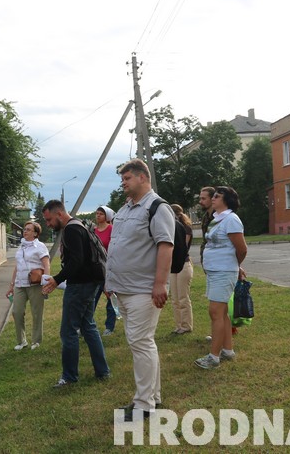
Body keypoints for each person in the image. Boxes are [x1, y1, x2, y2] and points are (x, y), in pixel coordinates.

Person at [105, 159, 174, 420]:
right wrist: (109, 281)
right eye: (122, 179)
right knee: (143, 344)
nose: (123, 183)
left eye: (127, 179)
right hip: (123, 289)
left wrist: (159, 284)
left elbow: (165, 246)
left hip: (143, 291)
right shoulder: (126, 209)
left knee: (141, 343)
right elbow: (119, 245)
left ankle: (144, 405)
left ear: (143, 177)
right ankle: (153, 397)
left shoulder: (157, 207)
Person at [42, 200, 110, 388]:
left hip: (80, 286)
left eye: (49, 220)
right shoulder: (79, 224)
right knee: (88, 326)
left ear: (59, 214)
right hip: (91, 283)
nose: (48, 224)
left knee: (68, 331)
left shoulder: (71, 230)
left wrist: (56, 279)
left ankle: (69, 376)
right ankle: (102, 371)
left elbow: (77, 261)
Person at [195, 186, 248, 370]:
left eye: (217, 196)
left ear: (226, 200)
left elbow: (242, 249)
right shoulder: (217, 219)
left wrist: (234, 266)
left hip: (223, 272)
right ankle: (228, 350)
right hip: (214, 271)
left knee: (215, 312)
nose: (213, 199)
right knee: (222, 312)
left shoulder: (231, 219)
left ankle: (214, 357)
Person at [6, 221, 50, 351]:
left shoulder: (40, 246)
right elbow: (17, 267)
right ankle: (21, 341)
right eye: (25, 229)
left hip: (35, 284)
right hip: (20, 284)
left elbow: (46, 265)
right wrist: (11, 284)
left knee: (37, 313)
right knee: (17, 312)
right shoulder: (21, 246)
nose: (25, 231)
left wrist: (46, 282)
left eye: (29, 230)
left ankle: (36, 341)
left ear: (35, 233)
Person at [168, 204, 194, 334]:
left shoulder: (185, 228)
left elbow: (182, 248)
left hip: (183, 264)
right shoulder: (171, 228)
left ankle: (186, 325)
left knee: (183, 297)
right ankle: (178, 325)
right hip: (173, 266)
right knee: (174, 298)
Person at [92, 206, 117, 336]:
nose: (98, 216)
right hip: (96, 270)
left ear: (107, 216)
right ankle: (86, 325)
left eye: (101, 214)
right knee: (91, 299)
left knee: (110, 299)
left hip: (108, 269)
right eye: (97, 214)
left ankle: (109, 326)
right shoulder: (93, 231)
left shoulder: (112, 230)